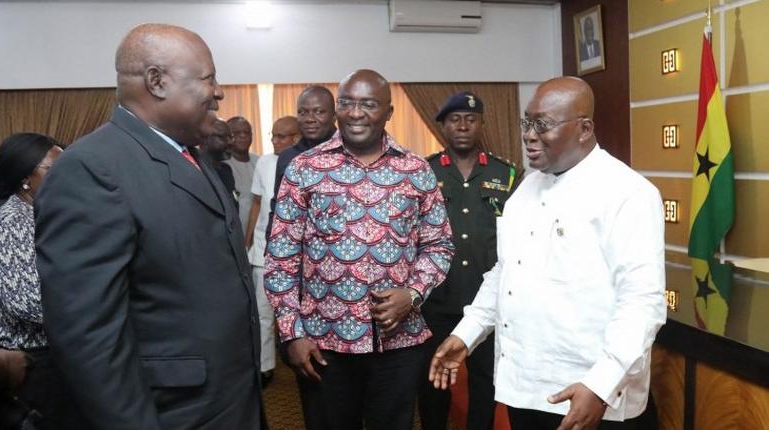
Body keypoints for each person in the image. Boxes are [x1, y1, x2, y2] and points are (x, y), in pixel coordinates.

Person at [34, 23, 262, 430]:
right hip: (170, 412)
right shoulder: (92, 169)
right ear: (156, 81)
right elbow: (89, 338)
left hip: (226, 400)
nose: (219, 91)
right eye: (209, 78)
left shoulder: (190, 154)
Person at [429, 77, 666, 430]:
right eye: (528, 122)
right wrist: (468, 332)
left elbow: (642, 302)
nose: (529, 134)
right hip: (526, 387)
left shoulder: (627, 193)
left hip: (590, 391)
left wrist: (600, 385)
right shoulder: (526, 189)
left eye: (543, 124)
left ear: (584, 129)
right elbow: (504, 274)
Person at [264, 69, 455, 430]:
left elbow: (439, 244)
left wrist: (413, 293)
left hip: (398, 345)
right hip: (322, 345)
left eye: (368, 104)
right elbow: (280, 257)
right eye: (347, 103)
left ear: (388, 111)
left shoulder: (415, 170)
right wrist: (293, 332)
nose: (355, 113)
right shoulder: (304, 168)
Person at [419, 92, 518, 430]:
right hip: (436, 298)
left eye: (470, 119)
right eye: (455, 119)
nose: (463, 125)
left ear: (482, 125)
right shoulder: (424, 172)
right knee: (433, 382)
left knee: (485, 383)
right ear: (444, 126)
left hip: (487, 299)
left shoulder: (506, 175)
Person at [0, 133, 80, 429]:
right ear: (26, 179)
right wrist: (94, 307)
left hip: (58, 354)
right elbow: (29, 303)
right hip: (32, 365)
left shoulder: (41, 214)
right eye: (54, 169)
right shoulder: (12, 225)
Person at [245, 115, 300, 388]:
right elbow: (256, 204)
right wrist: (248, 245)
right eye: (273, 135)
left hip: (296, 253)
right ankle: (265, 366)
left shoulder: (305, 161)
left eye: (281, 136)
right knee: (262, 312)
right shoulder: (265, 162)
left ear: (296, 138)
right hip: (262, 251)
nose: (274, 141)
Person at [265, 85, 337, 239]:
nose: (310, 119)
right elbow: (277, 207)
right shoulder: (288, 157)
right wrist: (270, 247)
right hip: (297, 251)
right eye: (302, 112)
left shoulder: (349, 153)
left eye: (319, 112)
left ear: (334, 116)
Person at [226, 116, 259, 230]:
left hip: (260, 232)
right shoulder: (223, 166)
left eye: (247, 132)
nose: (243, 136)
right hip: (235, 231)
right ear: (228, 137)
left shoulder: (260, 162)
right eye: (237, 133)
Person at [201, 119, 237, 200]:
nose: (231, 142)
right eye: (222, 137)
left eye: (231, 137)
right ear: (204, 138)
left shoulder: (226, 170)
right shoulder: (196, 170)